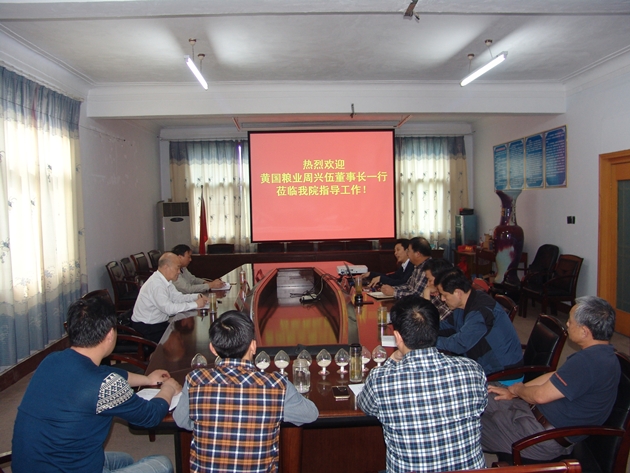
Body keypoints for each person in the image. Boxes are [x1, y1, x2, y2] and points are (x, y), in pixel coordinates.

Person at [12, 297, 182, 473]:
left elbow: (104, 374)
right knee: (163, 464)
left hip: (34, 465)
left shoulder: (52, 360)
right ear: (110, 335)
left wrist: (147, 380)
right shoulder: (105, 386)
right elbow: (150, 415)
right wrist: (168, 389)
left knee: (124, 459)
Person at [173, 310, 319, 473]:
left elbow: (181, 420)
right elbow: (310, 414)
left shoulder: (195, 380)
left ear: (212, 349)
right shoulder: (276, 385)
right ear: (253, 346)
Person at [357, 295, 487, 473]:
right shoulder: (473, 369)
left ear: (397, 337)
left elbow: (365, 406)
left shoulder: (381, 379)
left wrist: (391, 362)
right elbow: (481, 406)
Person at [481, 296, 620, 461]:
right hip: (533, 417)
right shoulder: (602, 355)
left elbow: (540, 396)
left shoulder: (587, 362)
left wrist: (517, 390)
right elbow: (554, 376)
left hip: (538, 437)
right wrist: (512, 392)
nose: (567, 324)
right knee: (482, 394)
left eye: (571, 321)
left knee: (464, 428)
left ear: (584, 331)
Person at [435, 268, 523, 378]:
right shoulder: (463, 303)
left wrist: (429, 341)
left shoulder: (480, 311)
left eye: (444, 295)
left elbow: (460, 344)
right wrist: (424, 331)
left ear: (458, 293)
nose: (442, 299)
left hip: (501, 373)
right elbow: (449, 326)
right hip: (483, 364)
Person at [131, 252, 208, 343]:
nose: (179, 272)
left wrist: (196, 296)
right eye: (177, 268)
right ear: (166, 267)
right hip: (148, 328)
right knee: (181, 340)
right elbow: (169, 309)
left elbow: (178, 297)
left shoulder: (165, 280)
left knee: (184, 335)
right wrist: (195, 304)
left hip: (159, 323)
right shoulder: (156, 285)